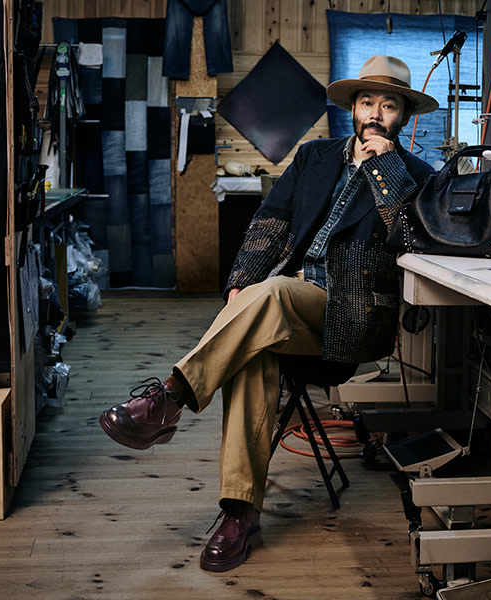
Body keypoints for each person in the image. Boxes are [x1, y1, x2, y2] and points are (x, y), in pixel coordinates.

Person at [99, 55, 438, 572]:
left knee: (273, 294)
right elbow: (270, 222)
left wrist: (382, 168)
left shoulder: (416, 176)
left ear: (403, 117)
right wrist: (239, 285)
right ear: (352, 106)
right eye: (367, 101)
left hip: (352, 315)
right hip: (287, 304)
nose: (375, 113)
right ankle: (240, 513)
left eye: (388, 106)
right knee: (256, 344)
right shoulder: (314, 157)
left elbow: (411, 241)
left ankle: (169, 396)